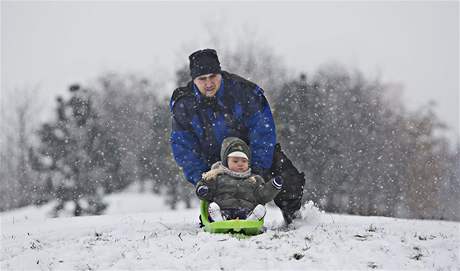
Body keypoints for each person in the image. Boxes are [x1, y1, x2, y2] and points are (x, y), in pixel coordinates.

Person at [170, 48, 306, 224]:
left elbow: (263, 133)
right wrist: (203, 178)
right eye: (202, 79)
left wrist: (254, 172)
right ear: (194, 80)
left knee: (288, 178)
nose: (208, 83)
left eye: (213, 76)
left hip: (249, 155)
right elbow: (183, 148)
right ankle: (218, 215)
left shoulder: (244, 92)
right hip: (212, 162)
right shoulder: (184, 104)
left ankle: (293, 218)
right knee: (222, 189)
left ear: (220, 73)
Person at [195, 137, 283, 221]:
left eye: (244, 161)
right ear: (226, 162)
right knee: (214, 207)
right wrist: (203, 190)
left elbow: (262, 195)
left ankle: (252, 218)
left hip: (246, 211)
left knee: (257, 209)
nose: (240, 164)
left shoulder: (254, 179)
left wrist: (273, 186)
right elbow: (207, 193)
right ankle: (219, 217)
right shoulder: (217, 177)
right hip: (223, 209)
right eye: (235, 161)